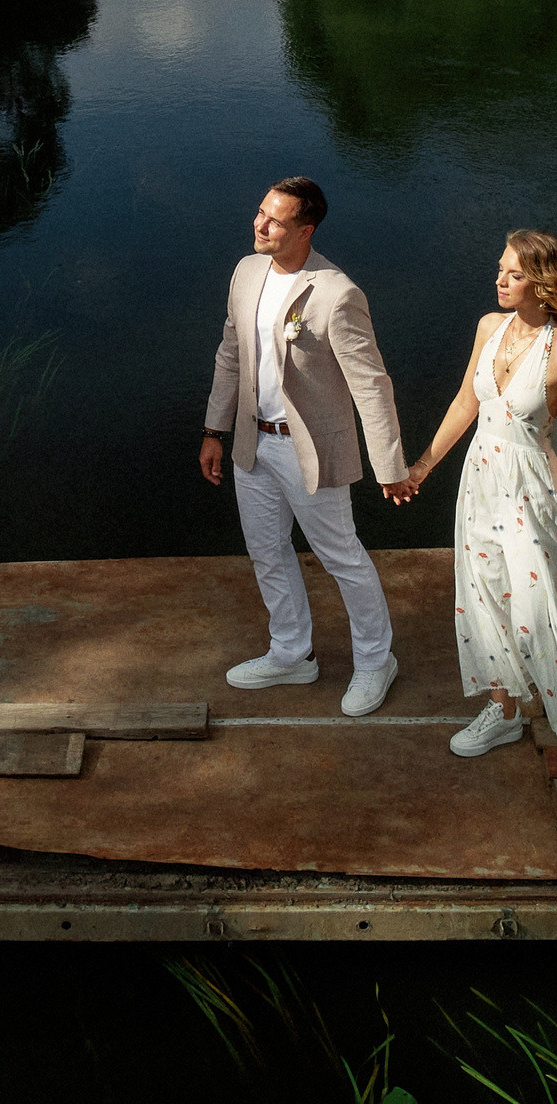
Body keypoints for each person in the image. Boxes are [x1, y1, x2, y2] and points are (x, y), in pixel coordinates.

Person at [399, 229, 557, 758]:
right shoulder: (489, 327)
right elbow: (466, 403)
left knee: (536, 602)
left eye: (515, 274)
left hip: (530, 489)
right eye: (501, 268)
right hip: (480, 478)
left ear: (544, 284)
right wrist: (422, 466)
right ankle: (503, 709)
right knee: (483, 594)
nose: (499, 279)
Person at [201, 177, 414, 716]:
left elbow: (372, 384)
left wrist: (389, 466)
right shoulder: (247, 272)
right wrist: (214, 430)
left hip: (310, 450)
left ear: (305, 230)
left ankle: (374, 660)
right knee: (266, 551)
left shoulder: (336, 293)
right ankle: (292, 653)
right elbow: (231, 352)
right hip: (253, 444)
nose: (259, 224)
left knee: (340, 555)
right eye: (259, 212)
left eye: (274, 220)